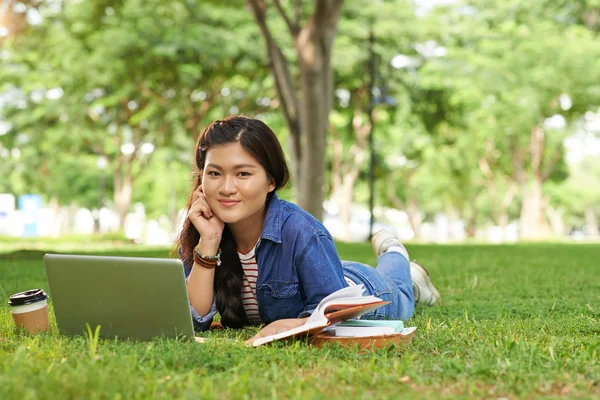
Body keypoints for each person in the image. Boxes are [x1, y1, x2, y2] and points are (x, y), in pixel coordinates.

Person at [177, 116, 441, 341]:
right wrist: (209, 241)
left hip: (357, 291)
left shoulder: (300, 230)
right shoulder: (201, 231)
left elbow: (335, 314)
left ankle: (397, 255)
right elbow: (195, 320)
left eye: (243, 174)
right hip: (324, 269)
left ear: (271, 181)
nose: (226, 187)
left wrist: (297, 325)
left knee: (401, 290)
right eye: (214, 174)